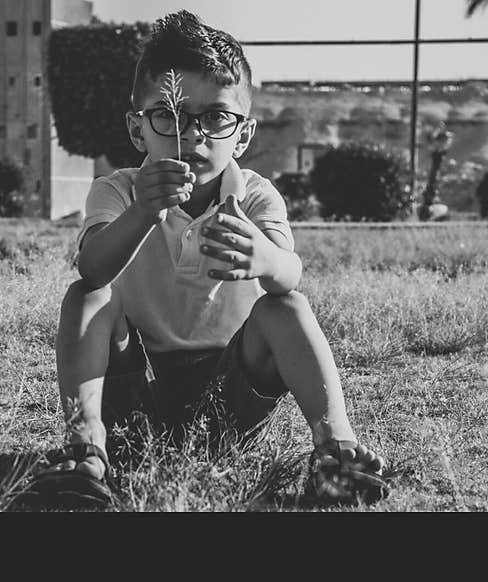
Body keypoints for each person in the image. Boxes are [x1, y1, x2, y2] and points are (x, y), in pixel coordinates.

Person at [26, 10, 389, 508]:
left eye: (216, 117)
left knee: (287, 307)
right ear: (138, 131)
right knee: (87, 297)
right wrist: (143, 213)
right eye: (169, 116)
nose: (191, 135)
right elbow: (93, 268)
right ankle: (85, 450)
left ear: (242, 134)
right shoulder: (116, 191)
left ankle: (336, 452)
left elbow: (291, 274)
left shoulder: (257, 196)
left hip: (228, 400)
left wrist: (264, 257)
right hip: (136, 395)